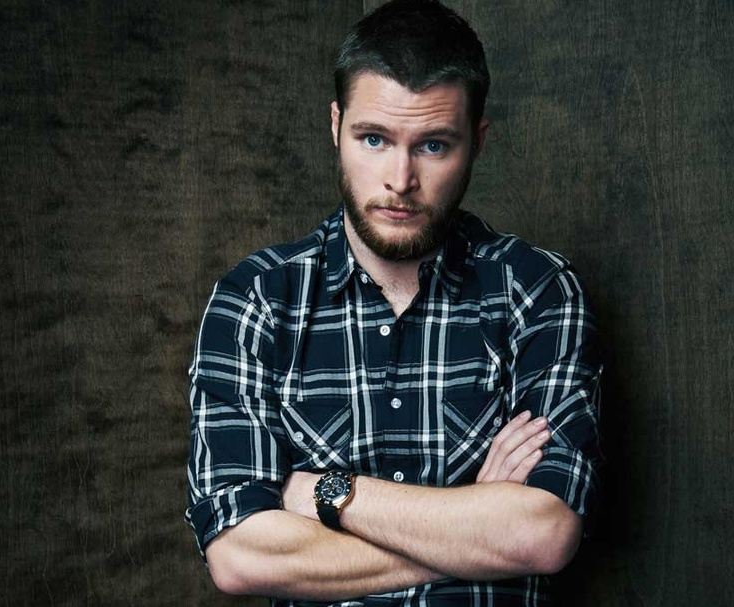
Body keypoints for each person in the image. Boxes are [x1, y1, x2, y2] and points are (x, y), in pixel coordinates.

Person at [185, 1, 602, 604]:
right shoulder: (255, 301)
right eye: (374, 138)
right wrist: (471, 532)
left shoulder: (535, 290)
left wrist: (326, 494)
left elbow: (542, 534)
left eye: (433, 146)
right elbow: (239, 556)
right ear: (336, 126)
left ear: (477, 143)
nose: (400, 179)